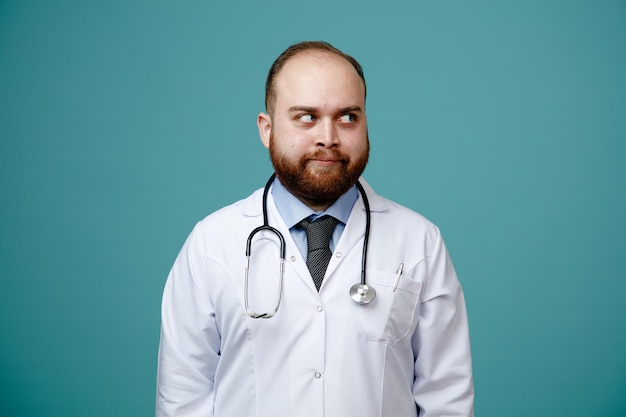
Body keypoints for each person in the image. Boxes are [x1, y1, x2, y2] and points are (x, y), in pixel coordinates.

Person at [155, 41, 474, 417]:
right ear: (266, 129)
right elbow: (182, 400)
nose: (329, 137)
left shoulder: (419, 242)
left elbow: (446, 400)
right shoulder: (212, 244)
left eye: (348, 117)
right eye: (306, 117)